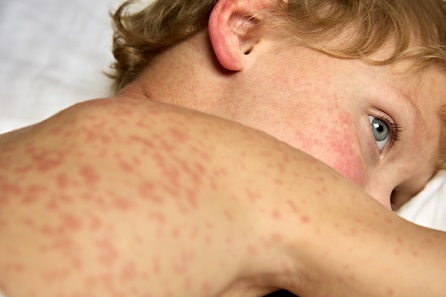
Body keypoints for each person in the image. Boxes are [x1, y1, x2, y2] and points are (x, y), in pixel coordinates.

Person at [0, 0, 445, 296]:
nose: (381, 214)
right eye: (380, 129)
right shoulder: (236, 174)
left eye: (398, 199)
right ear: (244, 33)